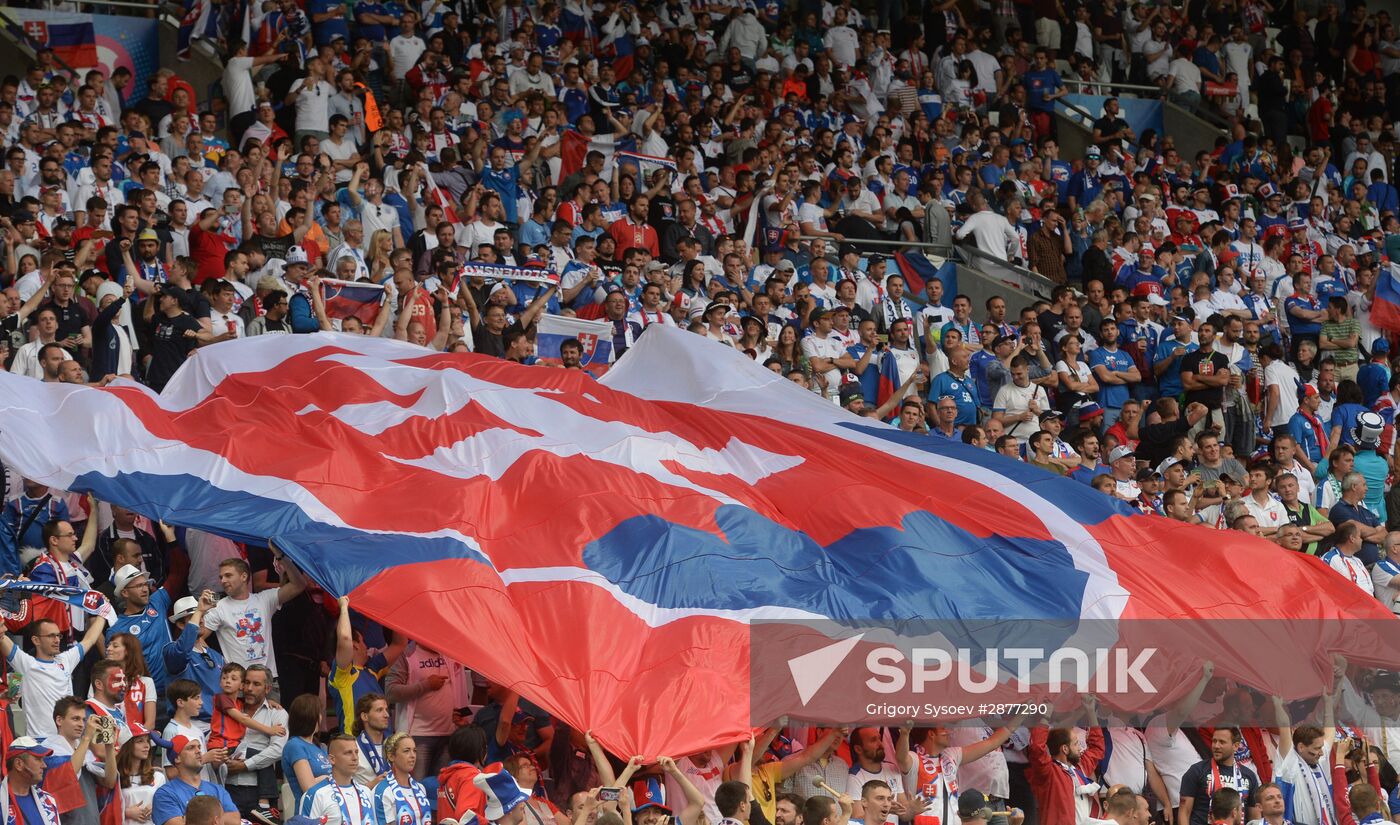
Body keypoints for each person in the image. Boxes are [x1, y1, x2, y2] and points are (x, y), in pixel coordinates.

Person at [0, 611, 108, 740]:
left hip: (69, 742)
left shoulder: (66, 660)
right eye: (51, 636)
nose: (57, 640)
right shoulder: (26, 664)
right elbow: (2, 636)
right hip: (41, 743)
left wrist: (102, 612)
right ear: (36, 640)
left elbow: (90, 639)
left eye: (58, 635)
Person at [202, 554, 305, 683]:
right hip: (239, 682)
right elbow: (195, 638)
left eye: (228, 575)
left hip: (268, 680)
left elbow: (299, 585)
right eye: (221, 577)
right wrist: (217, 662)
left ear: (244, 576)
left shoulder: (264, 599)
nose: (222, 580)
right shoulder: (219, 608)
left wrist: (281, 556)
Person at [150, 735, 240, 825]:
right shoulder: (165, 794)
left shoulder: (217, 789)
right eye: (191, 748)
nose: (198, 751)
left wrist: (191, 818)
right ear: (177, 758)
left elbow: (234, 821)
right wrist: (217, 817)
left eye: (199, 747)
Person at [1178, 728, 1261, 825]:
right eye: (1214, 741)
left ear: (1235, 746)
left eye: (1222, 742)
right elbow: (1184, 812)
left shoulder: (1249, 775)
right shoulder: (1197, 771)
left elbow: (1254, 819)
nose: (1216, 746)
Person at [298, 734, 376, 825]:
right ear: (332, 759)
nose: (355, 758)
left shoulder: (366, 792)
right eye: (348, 753)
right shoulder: (316, 794)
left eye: (356, 752)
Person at [372, 733, 433, 825]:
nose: (413, 755)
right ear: (391, 756)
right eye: (406, 751)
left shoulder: (421, 788)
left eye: (414, 750)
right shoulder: (383, 791)